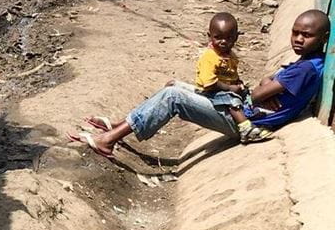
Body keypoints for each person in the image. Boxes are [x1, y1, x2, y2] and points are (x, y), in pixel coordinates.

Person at [69, 9, 330, 159]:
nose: (298, 39)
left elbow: (261, 92)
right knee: (176, 85)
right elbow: (264, 87)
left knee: (173, 96)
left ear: (323, 37)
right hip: (241, 107)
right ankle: (122, 124)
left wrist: (266, 87)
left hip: (243, 119)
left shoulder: (305, 68)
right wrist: (267, 85)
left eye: (306, 35)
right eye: (295, 32)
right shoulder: (310, 62)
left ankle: (109, 140)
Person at [174, 12, 270, 143]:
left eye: (228, 38)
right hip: (211, 92)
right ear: (209, 36)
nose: (223, 42)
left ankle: (256, 115)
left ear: (236, 37)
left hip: (221, 90)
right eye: (218, 37)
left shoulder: (231, 56)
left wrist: (238, 83)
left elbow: (232, 75)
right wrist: (230, 88)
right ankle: (245, 129)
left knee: (246, 94)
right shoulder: (210, 57)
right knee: (232, 100)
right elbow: (209, 83)